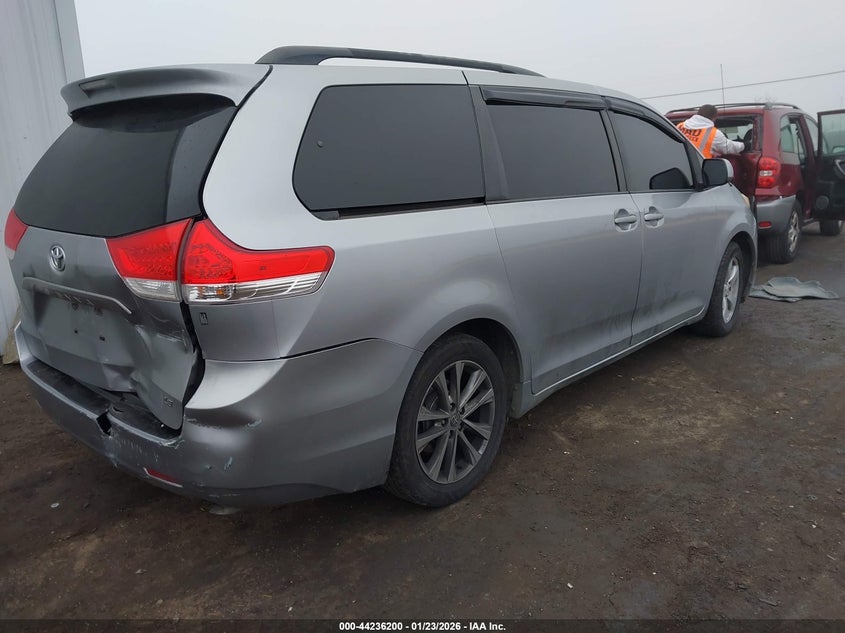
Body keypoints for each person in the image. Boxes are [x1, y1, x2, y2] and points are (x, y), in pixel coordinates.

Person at [676, 104, 746, 158]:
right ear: (714, 118)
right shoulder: (713, 133)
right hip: (697, 169)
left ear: (698, 114)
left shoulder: (680, 126)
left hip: (675, 167)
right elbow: (728, 147)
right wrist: (745, 145)